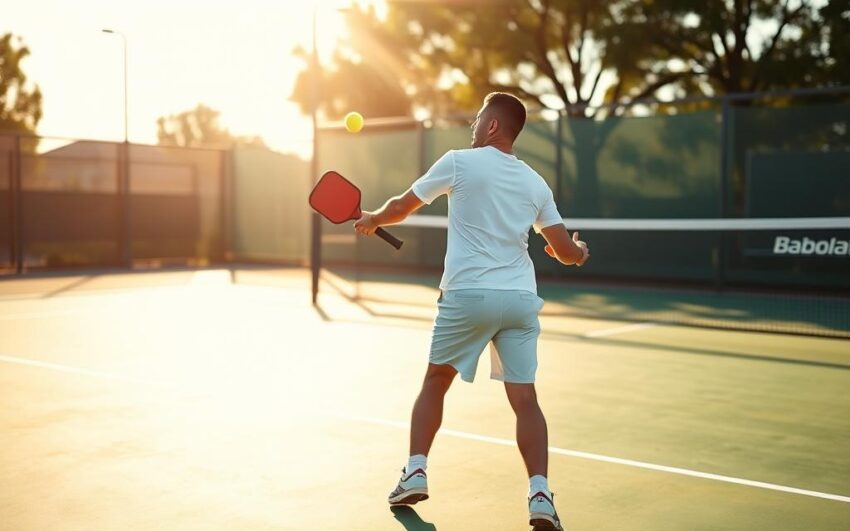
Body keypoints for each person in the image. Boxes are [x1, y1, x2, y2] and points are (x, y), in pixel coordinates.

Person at [354, 92, 590, 530]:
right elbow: (562, 249)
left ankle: (416, 470)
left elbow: (403, 205)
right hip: (519, 300)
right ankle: (540, 495)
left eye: (480, 118)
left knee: (435, 382)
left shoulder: (459, 161)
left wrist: (372, 218)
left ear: (494, 126)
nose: (474, 125)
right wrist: (577, 252)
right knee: (526, 401)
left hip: (468, 295)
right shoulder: (536, 183)